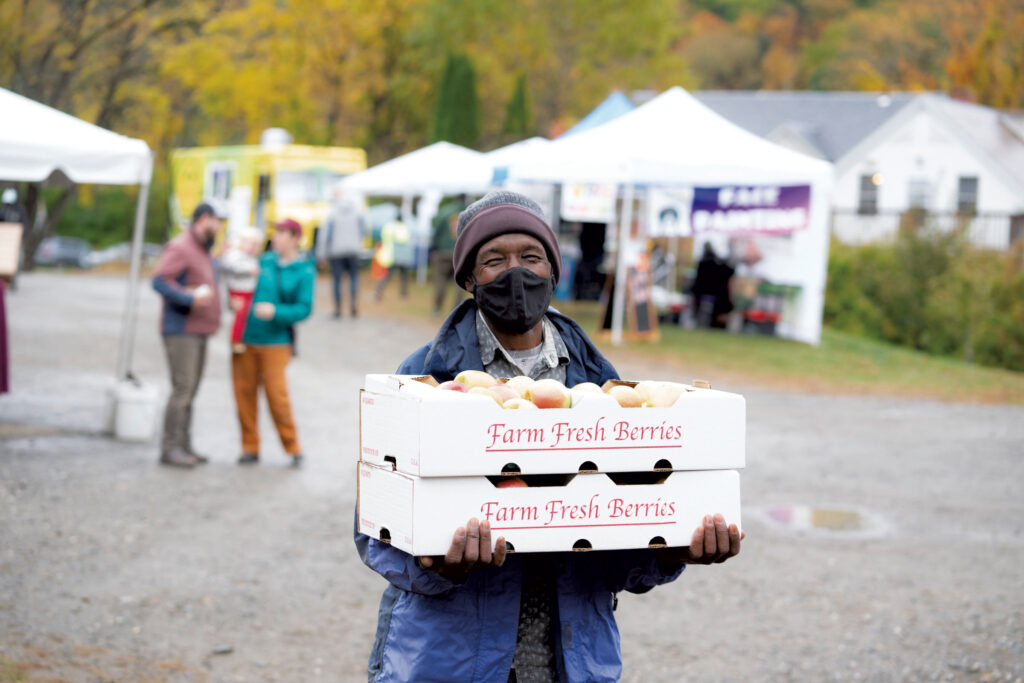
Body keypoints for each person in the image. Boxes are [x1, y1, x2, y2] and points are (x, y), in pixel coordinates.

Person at [355, 190, 742, 682]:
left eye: (531, 256)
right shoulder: (424, 380)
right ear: (469, 278)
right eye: (494, 260)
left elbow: (621, 545)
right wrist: (437, 564)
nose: (516, 272)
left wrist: (672, 548)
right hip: (448, 658)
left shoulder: (601, 387)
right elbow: (374, 534)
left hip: (567, 659)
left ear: (555, 271)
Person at [232, 218, 315, 467]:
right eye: (275, 232)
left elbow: (304, 308)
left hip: (276, 342)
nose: (275, 237)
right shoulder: (263, 260)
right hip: (245, 338)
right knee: (243, 395)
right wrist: (232, 301)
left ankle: (293, 447)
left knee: (277, 397)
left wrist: (276, 312)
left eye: (281, 233)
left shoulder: (304, 270)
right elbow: (238, 283)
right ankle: (249, 447)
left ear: (294, 238)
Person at [151, 203, 224, 468]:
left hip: (200, 331)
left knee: (191, 390)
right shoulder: (181, 246)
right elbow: (159, 280)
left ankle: (184, 444)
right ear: (204, 219)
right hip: (181, 330)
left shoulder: (204, 249)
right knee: (182, 389)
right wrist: (188, 298)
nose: (219, 227)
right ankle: (170, 448)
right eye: (217, 221)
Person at [317, 189, 366, 318]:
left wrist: (322, 254)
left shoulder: (332, 214)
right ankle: (353, 306)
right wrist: (356, 243)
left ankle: (338, 309)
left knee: (337, 280)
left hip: (336, 251)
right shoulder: (357, 213)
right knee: (354, 278)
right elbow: (363, 230)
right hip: (353, 250)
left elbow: (325, 235)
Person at [221, 226, 264, 354]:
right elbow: (230, 266)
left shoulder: (253, 258)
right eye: (249, 243)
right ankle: (235, 340)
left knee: (246, 317)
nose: (252, 247)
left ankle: (243, 338)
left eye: (255, 244)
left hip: (249, 291)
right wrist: (249, 270)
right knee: (239, 317)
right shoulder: (235, 255)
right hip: (238, 291)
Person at [429, 194, 468, 313]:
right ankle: (456, 310)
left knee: (441, 280)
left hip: (443, 251)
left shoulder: (445, 211)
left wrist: (433, 248)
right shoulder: (469, 212)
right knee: (460, 283)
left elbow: (436, 231)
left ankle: (437, 309)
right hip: (461, 253)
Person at [374, 216, 414, 300]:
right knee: (403, 275)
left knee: (387, 275)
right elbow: (404, 239)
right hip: (399, 256)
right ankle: (403, 294)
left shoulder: (388, 226)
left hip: (389, 255)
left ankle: (378, 292)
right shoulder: (402, 227)